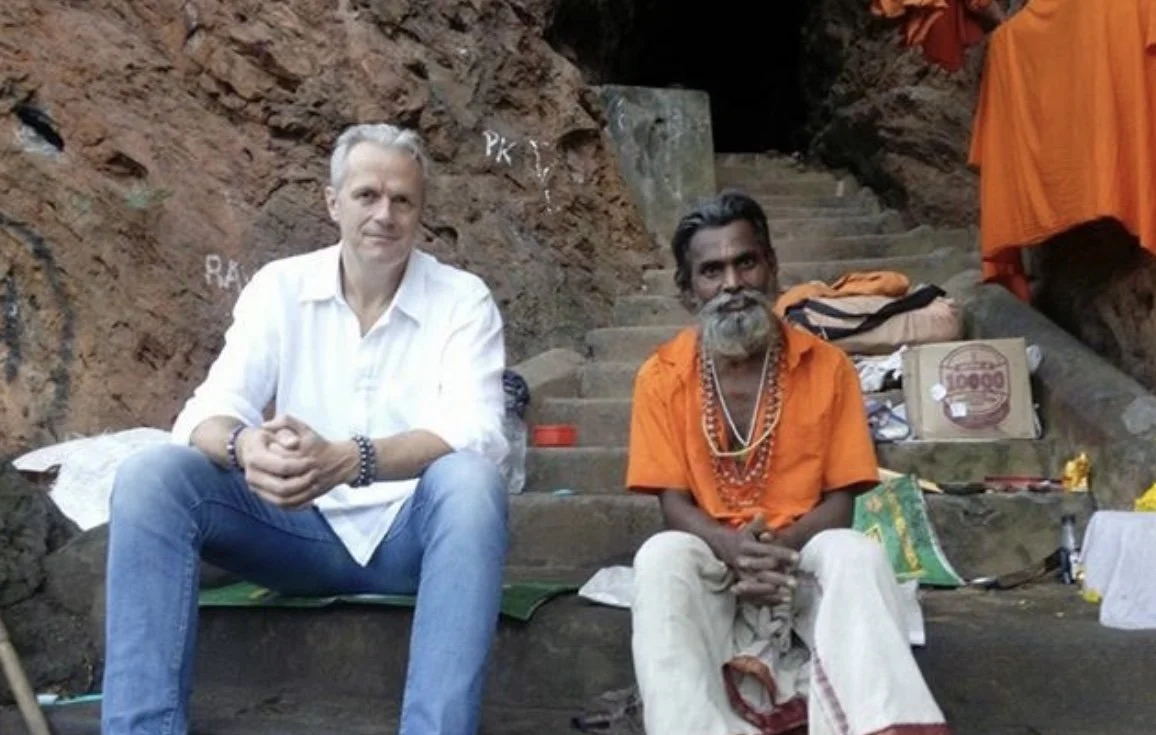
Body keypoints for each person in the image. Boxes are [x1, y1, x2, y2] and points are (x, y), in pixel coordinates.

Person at [102, 123, 510, 735]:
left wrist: (354, 459)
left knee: (472, 482)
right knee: (151, 475)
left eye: (403, 200)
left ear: (421, 211)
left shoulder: (463, 299)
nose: (385, 214)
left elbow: (477, 432)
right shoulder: (280, 287)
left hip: (414, 538)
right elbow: (205, 412)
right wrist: (246, 447)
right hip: (293, 529)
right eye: (367, 195)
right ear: (332, 202)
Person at [625, 191, 949, 735]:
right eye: (711, 270)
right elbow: (673, 503)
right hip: (713, 557)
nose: (731, 284)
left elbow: (841, 503)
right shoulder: (660, 377)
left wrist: (776, 552)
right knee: (660, 557)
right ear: (688, 290)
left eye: (745, 262)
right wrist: (734, 550)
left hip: (802, 555)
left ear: (771, 267)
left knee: (855, 552)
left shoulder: (828, 367)